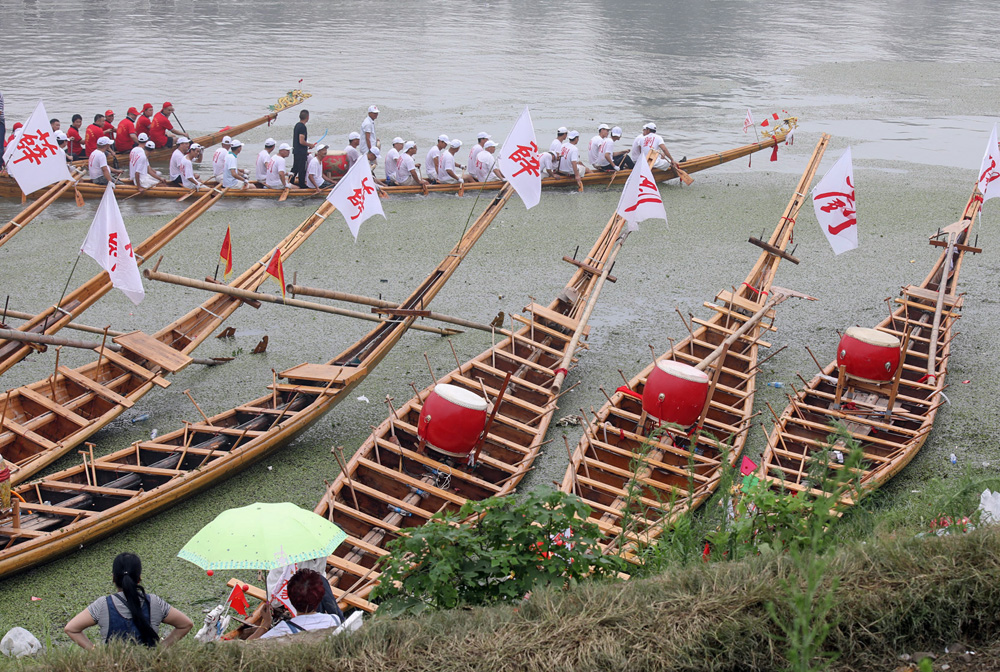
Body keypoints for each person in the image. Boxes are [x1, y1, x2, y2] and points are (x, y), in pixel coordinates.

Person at [65, 552, 192, 649]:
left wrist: (96, 653)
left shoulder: (102, 605)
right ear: (139, 578)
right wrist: (161, 649)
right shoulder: (154, 602)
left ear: (114, 578)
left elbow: (71, 629)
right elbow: (186, 624)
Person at [248, 569, 341, 640]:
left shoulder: (282, 630)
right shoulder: (334, 620)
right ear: (321, 597)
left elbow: (245, 648)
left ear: (289, 597)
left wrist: (265, 624)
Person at [292, 109, 314, 188]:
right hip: (300, 152)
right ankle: (302, 185)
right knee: (301, 169)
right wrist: (309, 145)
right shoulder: (302, 127)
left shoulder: (297, 125)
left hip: (297, 151)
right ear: (307, 117)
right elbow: (301, 141)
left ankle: (291, 181)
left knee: (295, 168)